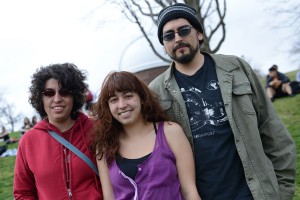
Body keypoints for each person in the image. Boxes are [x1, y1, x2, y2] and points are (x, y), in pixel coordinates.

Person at [149, 3, 296, 200]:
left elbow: (272, 129)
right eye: (169, 35)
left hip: (255, 193)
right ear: (164, 44)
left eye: (184, 30)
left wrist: (284, 191)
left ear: (199, 34)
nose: (177, 38)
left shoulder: (236, 68)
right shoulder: (156, 92)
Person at [92, 71, 200, 200]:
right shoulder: (105, 146)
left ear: (142, 98)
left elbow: (189, 192)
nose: (122, 105)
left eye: (128, 96)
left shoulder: (171, 132)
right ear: (108, 106)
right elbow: (109, 197)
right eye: (114, 100)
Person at [14, 63, 103, 199]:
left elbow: (117, 179)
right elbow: (23, 193)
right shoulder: (28, 140)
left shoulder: (97, 129)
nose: (57, 99)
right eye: (49, 93)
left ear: (75, 96)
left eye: (65, 92)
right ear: (40, 98)